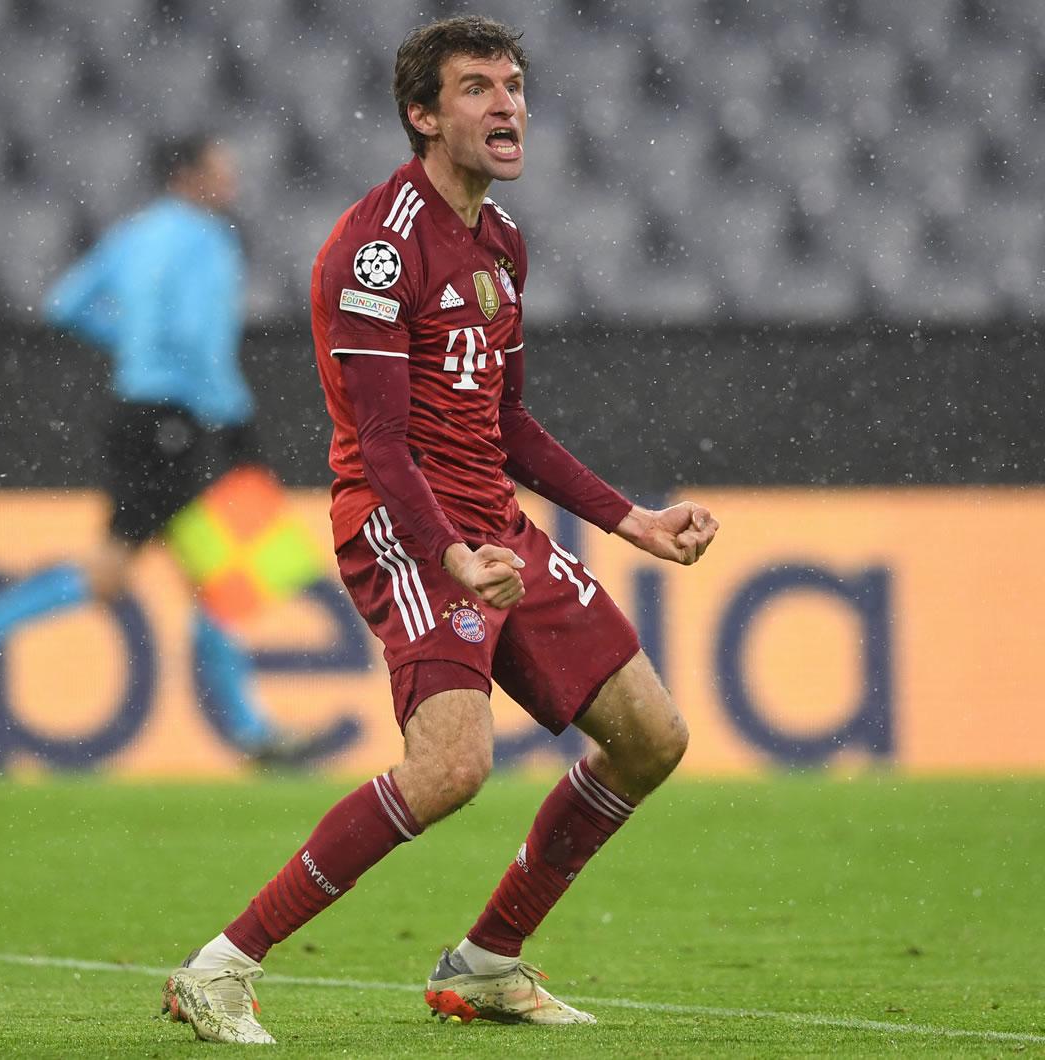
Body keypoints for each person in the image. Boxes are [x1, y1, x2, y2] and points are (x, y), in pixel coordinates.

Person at [161, 16, 718, 1044]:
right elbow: (378, 444)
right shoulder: (377, 251)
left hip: (490, 526)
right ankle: (222, 967)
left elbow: (505, 422)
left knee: (651, 736)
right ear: (423, 115)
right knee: (451, 768)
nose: (506, 104)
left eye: (513, 85)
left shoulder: (503, 244)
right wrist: (450, 553)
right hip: (403, 526)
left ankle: (487, 962)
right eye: (475, 88)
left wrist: (630, 519)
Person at [0, 133, 352, 766]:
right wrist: (238, 428)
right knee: (147, 571)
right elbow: (198, 340)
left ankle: (254, 734)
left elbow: (64, 304)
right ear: (188, 175)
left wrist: (135, 346)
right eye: (220, 167)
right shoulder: (210, 239)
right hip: (180, 421)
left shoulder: (134, 232)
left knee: (208, 574)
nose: (232, 178)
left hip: (135, 414)